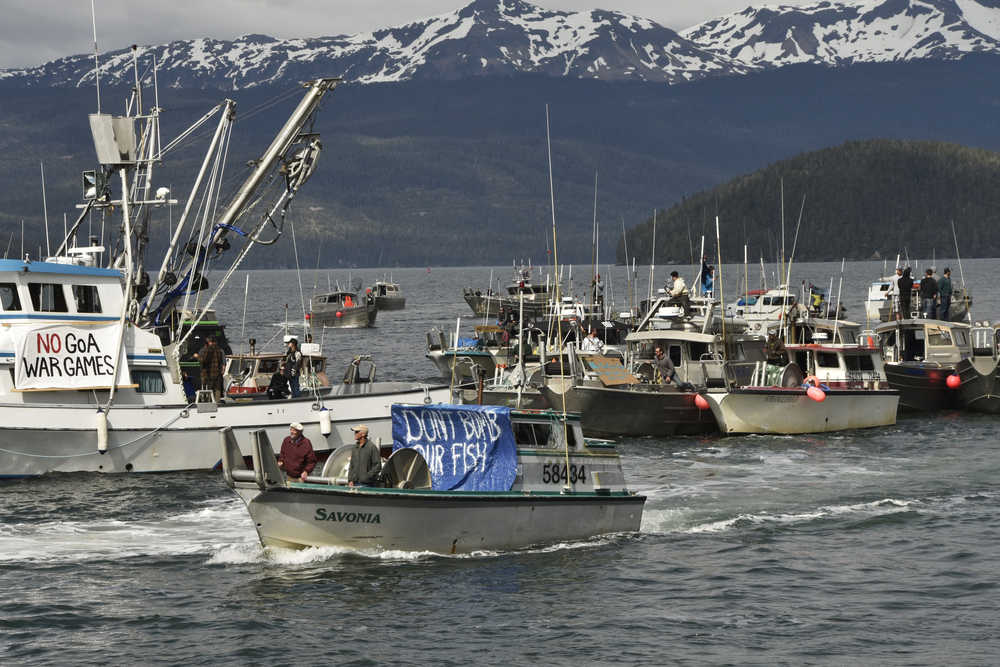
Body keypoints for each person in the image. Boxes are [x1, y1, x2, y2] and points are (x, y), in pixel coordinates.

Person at [197, 335, 225, 402]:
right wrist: (222, 369)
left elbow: (203, 360)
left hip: (208, 374)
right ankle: (218, 404)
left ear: (209, 342)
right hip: (218, 374)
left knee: (209, 390)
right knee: (217, 390)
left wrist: (197, 357)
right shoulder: (219, 350)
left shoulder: (206, 350)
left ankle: (209, 403)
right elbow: (222, 362)